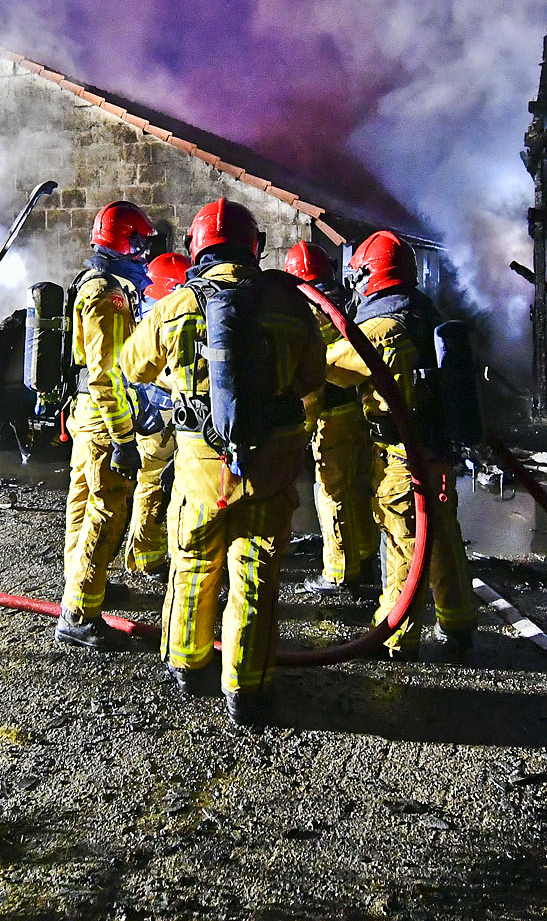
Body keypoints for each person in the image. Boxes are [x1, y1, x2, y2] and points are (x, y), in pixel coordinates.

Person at [120, 199, 324, 724]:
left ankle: (188, 665)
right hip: (270, 464)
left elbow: (132, 366)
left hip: (200, 465)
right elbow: (311, 379)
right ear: (254, 247)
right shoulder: (289, 305)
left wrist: (179, 379)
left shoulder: (176, 305)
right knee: (254, 572)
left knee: (192, 562)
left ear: (196, 248)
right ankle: (245, 689)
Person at [323, 230, 477, 659]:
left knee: (403, 540)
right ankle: (458, 622)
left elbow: (328, 368)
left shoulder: (382, 329)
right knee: (442, 537)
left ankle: (395, 637)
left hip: (401, 458)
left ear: (370, 275)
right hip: (437, 451)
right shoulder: (424, 312)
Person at [56, 200, 157, 650]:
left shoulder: (92, 281)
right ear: (126, 242)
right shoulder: (108, 295)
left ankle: (81, 583)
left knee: (81, 501)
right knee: (106, 508)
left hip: (86, 411)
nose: (145, 253)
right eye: (141, 244)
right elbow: (106, 373)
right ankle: (79, 614)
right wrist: (123, 438)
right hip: (103, 417)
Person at [283, 241, 377, 597]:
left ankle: (339, 572)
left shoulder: (307, 313)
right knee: (358, 486)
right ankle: (365, 555)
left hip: (328, 417)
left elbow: (312, 376)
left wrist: (301, 431)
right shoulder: (345, 303)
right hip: (357, 412)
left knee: (331, 493)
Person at [120, 251, 190, 579]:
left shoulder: (148, 314)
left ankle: (153, 552)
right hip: (160, 418)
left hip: (159, 415)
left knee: (159, 484)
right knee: (154, 484)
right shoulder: (162, 319)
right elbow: (164, 374)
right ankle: (146, 557)